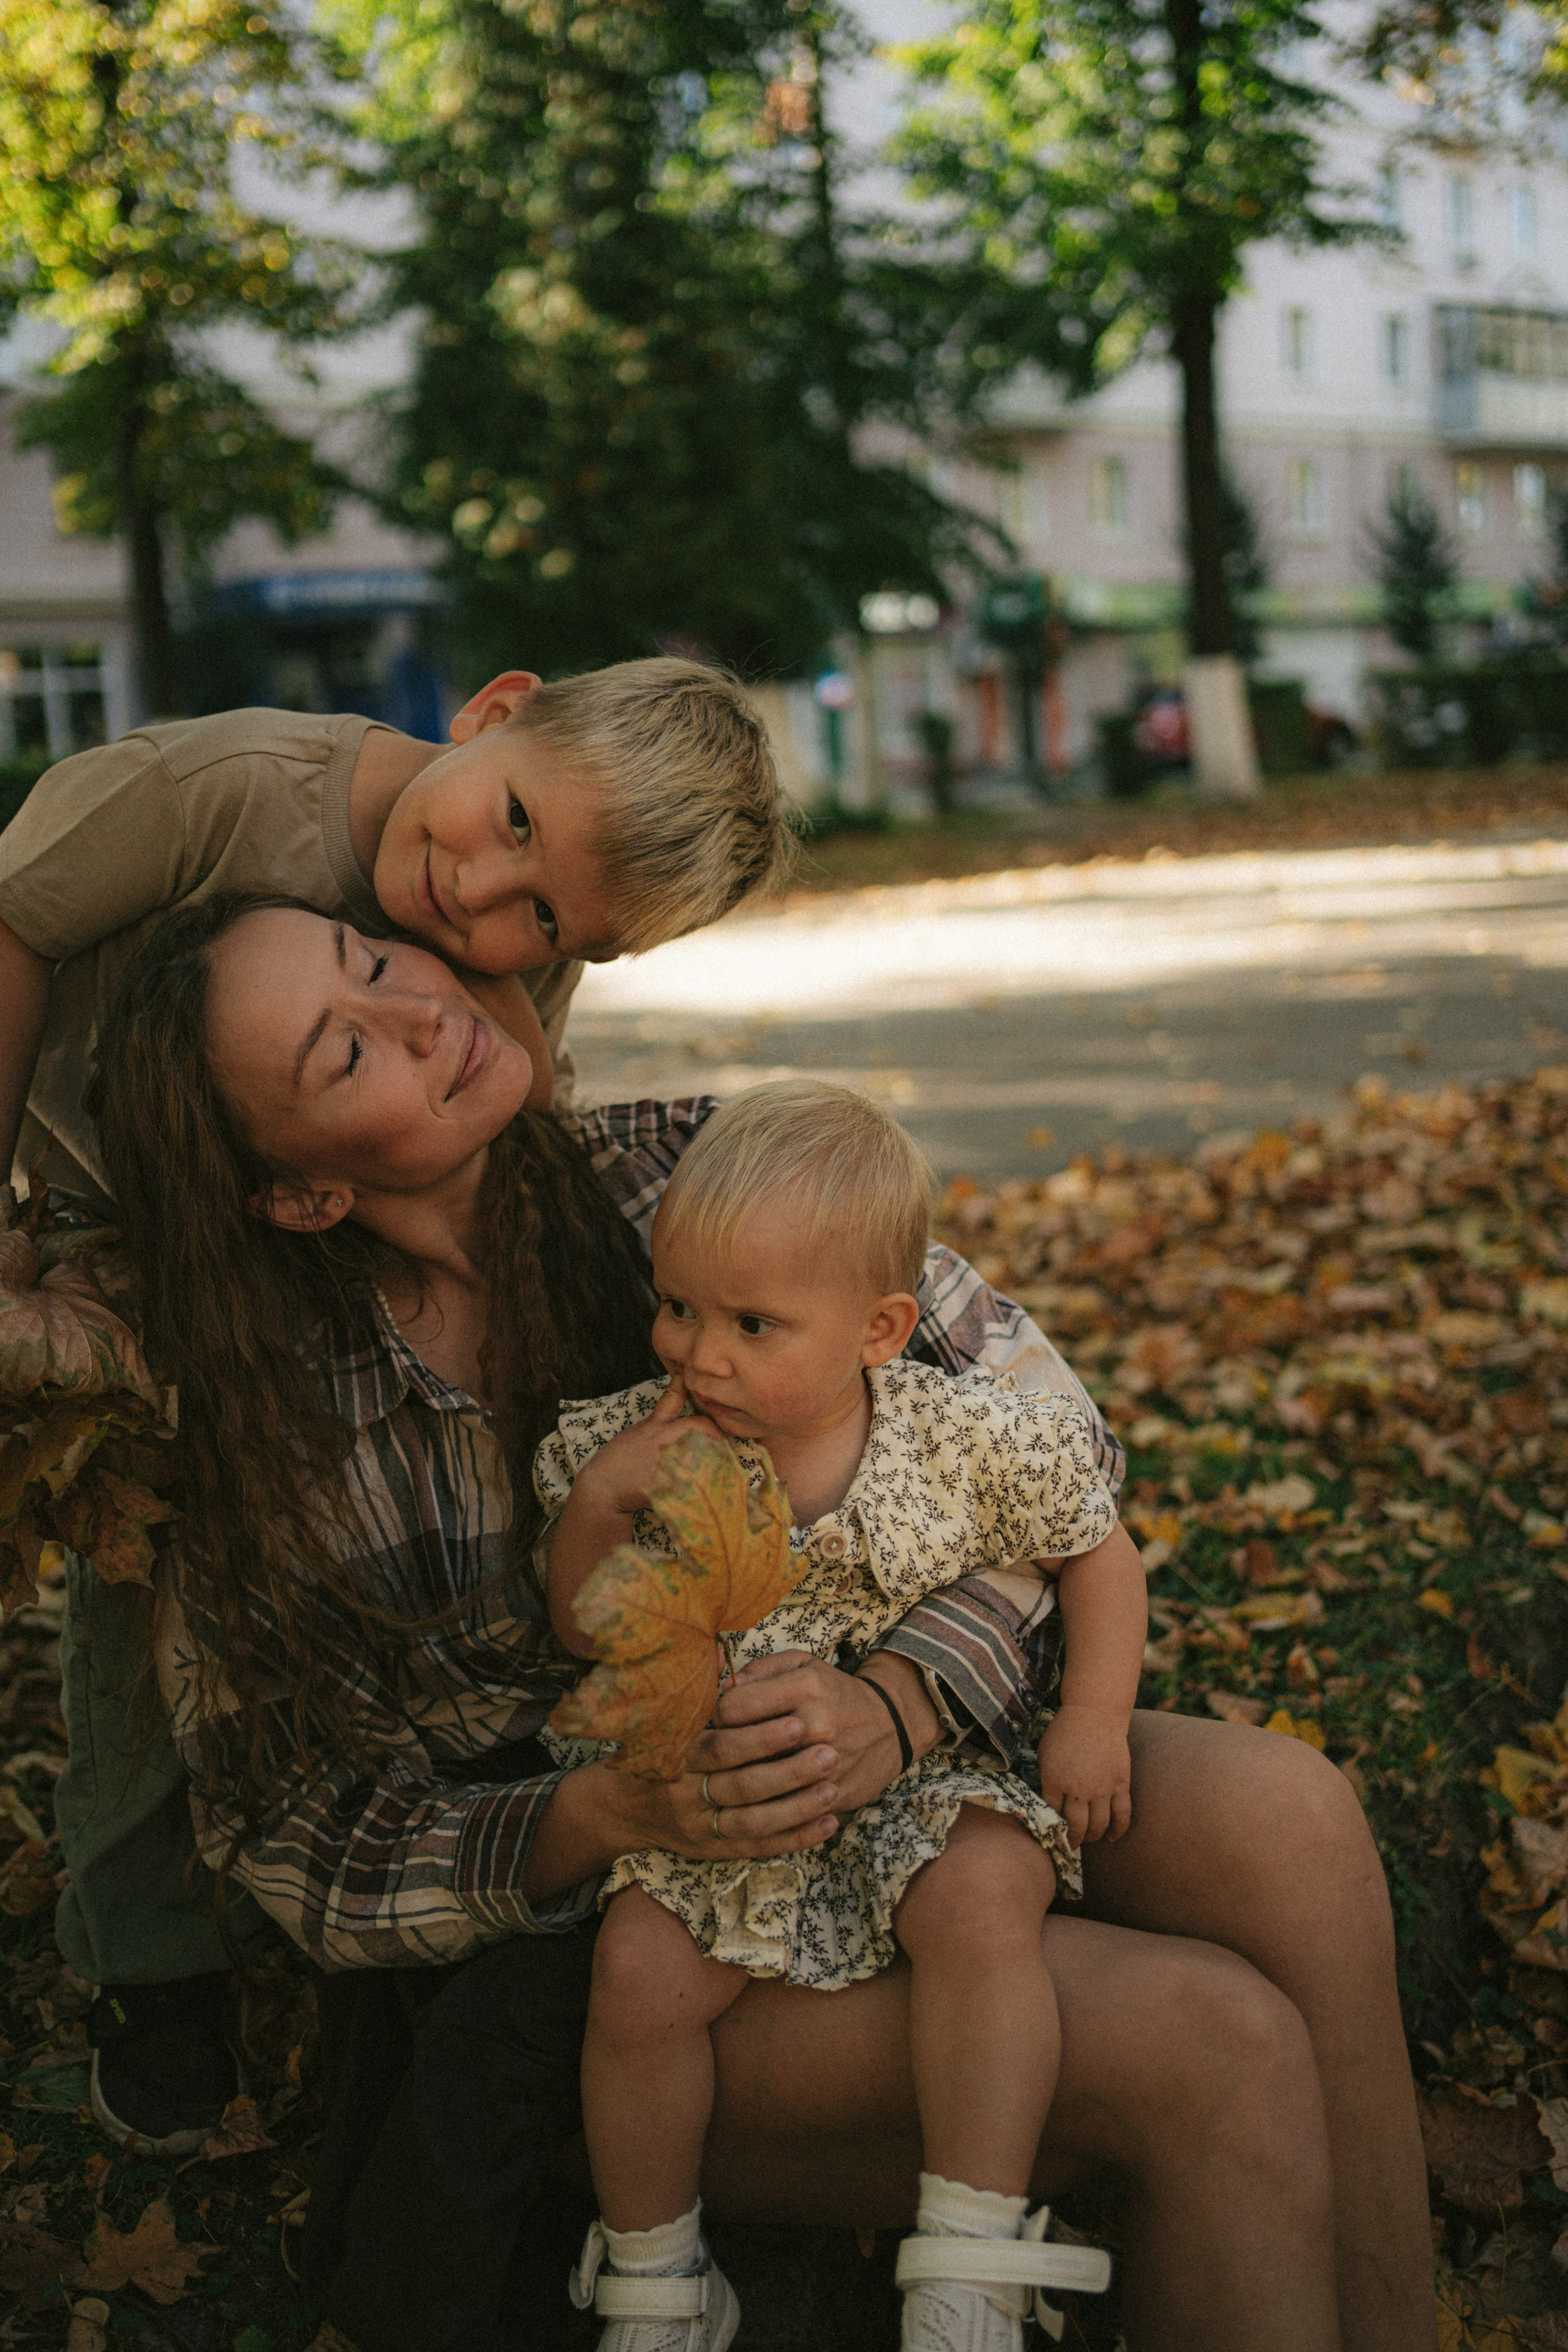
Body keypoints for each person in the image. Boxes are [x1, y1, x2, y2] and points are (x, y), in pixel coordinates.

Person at [86, 896, 1435, 2352]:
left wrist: (904, 1702)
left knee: (1288, 1820)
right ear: (298, 1193)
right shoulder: (254, 1425)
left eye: (373, 961)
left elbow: (1048, 1446)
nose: (419, 1011)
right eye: (343, 1054)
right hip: (615, 1939)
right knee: (1210, 2045)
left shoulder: (691, 1168)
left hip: (900, 1755)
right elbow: (293, 1835)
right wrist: (604, 1811)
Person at [0, 659, 790, 2151]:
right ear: (494, 709)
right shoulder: (216, 792)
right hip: (119, 1209)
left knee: (327, 1508)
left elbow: (514, 1078)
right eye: (505, 824)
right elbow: (12, 929)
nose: (478, 906)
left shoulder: (479, 946)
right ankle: (148, 1961)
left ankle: (446, 1808)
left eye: (545, 920)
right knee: (134, 1592)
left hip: (316, 1216)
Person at [541, 1082, 1149, 2352]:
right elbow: (583, 1629)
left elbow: (1099, 1548)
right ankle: (657, 2277)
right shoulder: (647, 1448)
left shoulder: (954, 1438)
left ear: (878, 1329)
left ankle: (970, 2253)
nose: (699, 1355)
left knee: (983, 1895)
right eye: (679, 1308)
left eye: (753, 1325)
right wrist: (599, 1506)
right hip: (724, 1798)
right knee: (638, 1971)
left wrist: (1090, 1715)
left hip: (914, 1780)